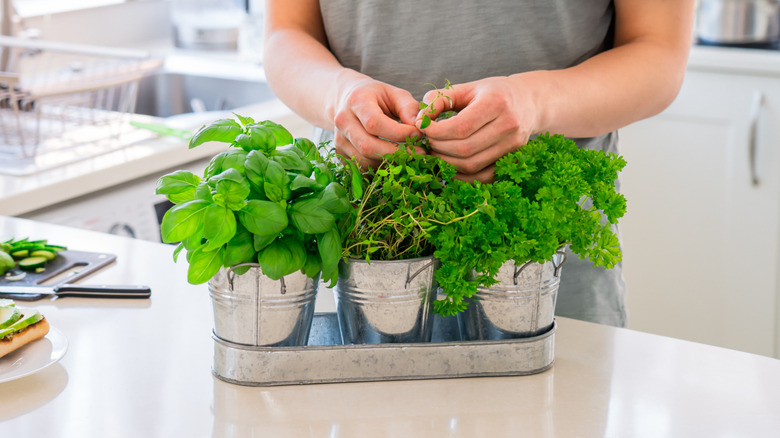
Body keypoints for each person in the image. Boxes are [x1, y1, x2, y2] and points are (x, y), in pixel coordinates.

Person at [262, 0, 696, 327]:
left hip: (544, 267)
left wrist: (535, 102)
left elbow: (658, 50)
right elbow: (286, 32)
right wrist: (338, 92)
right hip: (356, 253)